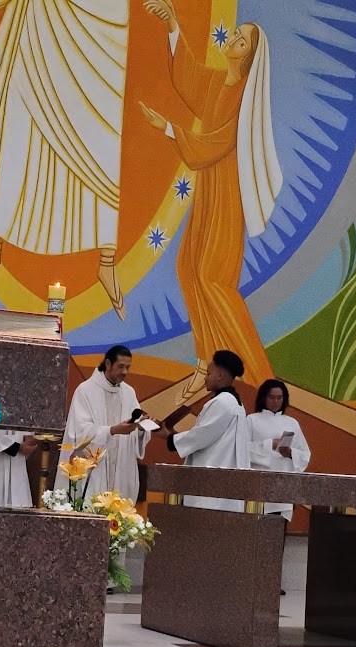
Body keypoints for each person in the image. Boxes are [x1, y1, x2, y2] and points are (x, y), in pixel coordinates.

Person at [0, 0, 129, 317]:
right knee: (20, 129)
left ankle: (106, 261)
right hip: (43, 22)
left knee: (98, 139)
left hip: (102, 29)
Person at [138, 0, 282, 382]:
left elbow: (218, 142)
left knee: (213, 278)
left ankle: (261, 379)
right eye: (236, 34)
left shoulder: (245, 98)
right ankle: (207, 363)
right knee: (187, 268)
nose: (232, 39)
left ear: (248, 57)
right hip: (208, 189)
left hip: (228, 194)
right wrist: (172, 24)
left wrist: (169, 128)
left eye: (241, 40)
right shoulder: (218, 83)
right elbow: (188, 77)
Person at [162, 349, 249, 512]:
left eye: (208, 373)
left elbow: (201, 436)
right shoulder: (234, 402)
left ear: (220, 375)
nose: (205, 378)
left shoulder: (223, 402)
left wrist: (168, 437)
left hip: (212, 484)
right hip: (220, 482)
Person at [64, 345, 150, 502]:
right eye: (121, 366)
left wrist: (142, 428)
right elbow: (79, 432)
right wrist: (112, 430)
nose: (125, 372)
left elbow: (135, 432)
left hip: (121, 470)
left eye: (128, 367)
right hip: (95, 470)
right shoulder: (85, 390)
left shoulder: (129, 392)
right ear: (108, 363)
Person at [246, 378, 311, 519]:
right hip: (259, 486)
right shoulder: (251, 420)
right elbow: (242, 450)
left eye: (279, 398)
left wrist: (291, 453)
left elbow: (305, 454)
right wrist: (270, 444)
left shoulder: (292, 423)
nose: (276, 401)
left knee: (279, 527)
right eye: (272, 397)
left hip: (283, 487)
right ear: (264, 398)